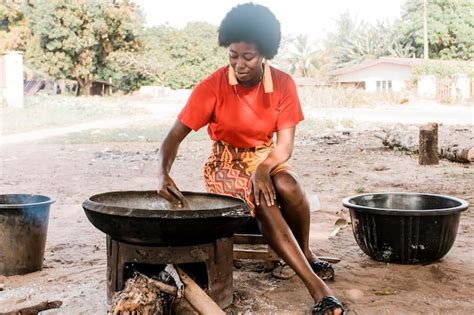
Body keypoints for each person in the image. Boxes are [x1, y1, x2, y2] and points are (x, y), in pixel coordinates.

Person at [157, 3, 344, 315]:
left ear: (265, 54)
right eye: (232, 55)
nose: (239, 64)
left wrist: (263, 168)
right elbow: (172, 138)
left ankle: (306, 251)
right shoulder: (212, 86)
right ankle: (318, 289)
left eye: (248, 57)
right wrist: (162, 172)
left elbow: (284, 147)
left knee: (289, 184)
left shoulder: (283, 84)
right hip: (224, 165)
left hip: (267, 158)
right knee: (265, 197)